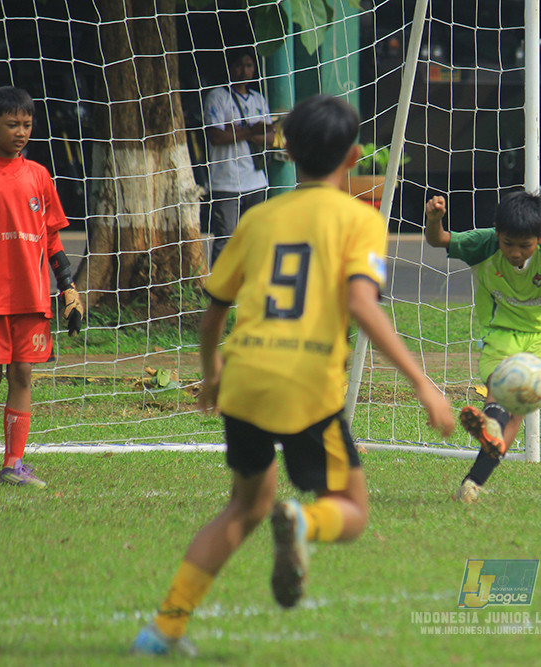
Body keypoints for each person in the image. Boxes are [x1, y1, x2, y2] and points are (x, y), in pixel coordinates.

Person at [130, 94, 454, 657]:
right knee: (350, 510)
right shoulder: (359, 219)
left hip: (245, 376)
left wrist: (210, 377)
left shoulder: (258, 217)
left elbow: (213, 317)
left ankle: (162, 628)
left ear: (285, 149)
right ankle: (303, 524)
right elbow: (361, 303)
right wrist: (424, 385)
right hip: (307, 384)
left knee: (245, 506)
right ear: (353, 156)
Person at [423, 190, 541, 503]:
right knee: (501, 398)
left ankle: (474, 481)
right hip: (500, 332)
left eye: (524, 246)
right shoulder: (484, 243)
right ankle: (482, 452)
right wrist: (434, 220)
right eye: (509, 244)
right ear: (497, 232)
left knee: (514, 411)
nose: (516, 253)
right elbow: (439, 240)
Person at [0, 86, 83, 489]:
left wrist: (68, 288)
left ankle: (13, 465)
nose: (21, 132)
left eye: (27, 124)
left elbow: (51, 239)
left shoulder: (39, 177)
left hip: (30, 297)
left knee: (23, 374)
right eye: (12, 123)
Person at [203, 47, 275, 265]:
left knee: (255, 236)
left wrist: (238, 132)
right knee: (226, 238)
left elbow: (271, 137)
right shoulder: (217, 96)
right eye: (239, 65)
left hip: (255, 180)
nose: (244, 71)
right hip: (226, 180)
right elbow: (216, 135)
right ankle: (220, 291)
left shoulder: (258, 99)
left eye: (249, 65)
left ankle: (249, 283)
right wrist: (253, 131)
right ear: (230, 67)